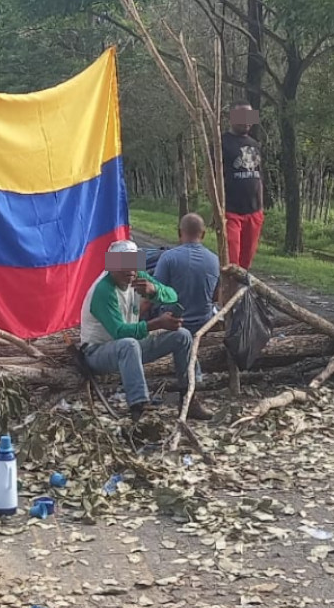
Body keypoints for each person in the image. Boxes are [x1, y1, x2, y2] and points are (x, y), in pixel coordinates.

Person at [80, 240, 214, 422]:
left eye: (133, 264)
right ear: (111, 265)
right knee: (128, 344)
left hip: (130, 347)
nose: (130, 271)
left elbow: (173, 296)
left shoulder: (137, 277)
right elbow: (120, 332)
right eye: (123, 266)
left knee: (182, 335)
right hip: (97, 352)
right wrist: (157, 323)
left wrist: (155, 291)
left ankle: (189, 397)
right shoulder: (104, 290)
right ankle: (138, 406)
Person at [154, 213, 220, 335]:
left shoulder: (168, 257)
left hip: (173, 324)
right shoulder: (215, 260)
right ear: (203, 234)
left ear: (179, 233)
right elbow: (216, 296)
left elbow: (154, 295)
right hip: (203, 324)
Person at [222, 102, 265, 270]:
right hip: (231, 211)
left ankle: (242, 294)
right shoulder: (222, 143)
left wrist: (261, 209)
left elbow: (258, 176)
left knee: (246, 261)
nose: (247, 121)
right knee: (232, 261)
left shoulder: (255, 144)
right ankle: (229, 291)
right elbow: (212, 178)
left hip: (254, 212)